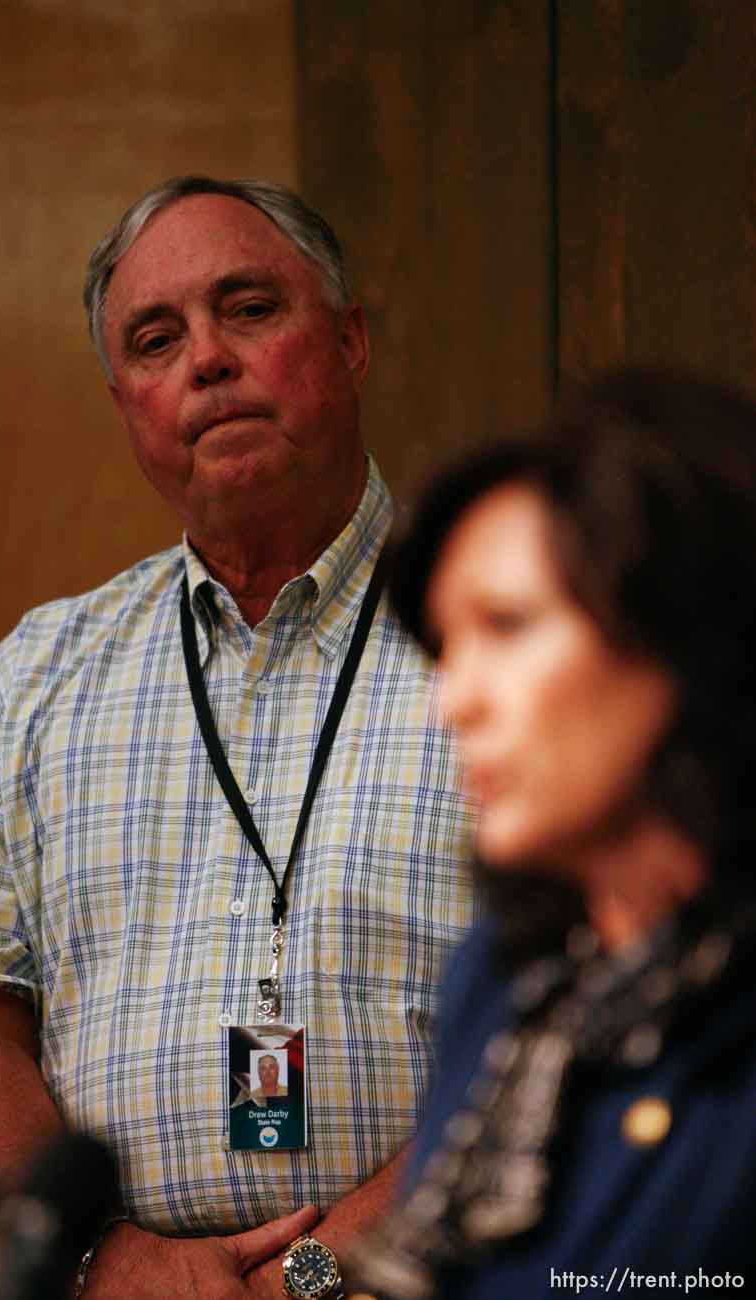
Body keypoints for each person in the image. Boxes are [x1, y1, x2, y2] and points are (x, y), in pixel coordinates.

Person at [0, 176, 474, 1299]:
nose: (206, 359)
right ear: (127, 407)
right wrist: (108, 1266)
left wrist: (317, 1271)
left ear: (349, 341)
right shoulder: (38, 674)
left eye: (249, 308)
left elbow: (584, 1017)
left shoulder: (512, 634)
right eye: (156, 340)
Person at [348, 366, 756, 1299]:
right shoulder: (502, 982)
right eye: (444, 649)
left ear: (679, 627)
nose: (450, 703)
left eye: (506, 625)